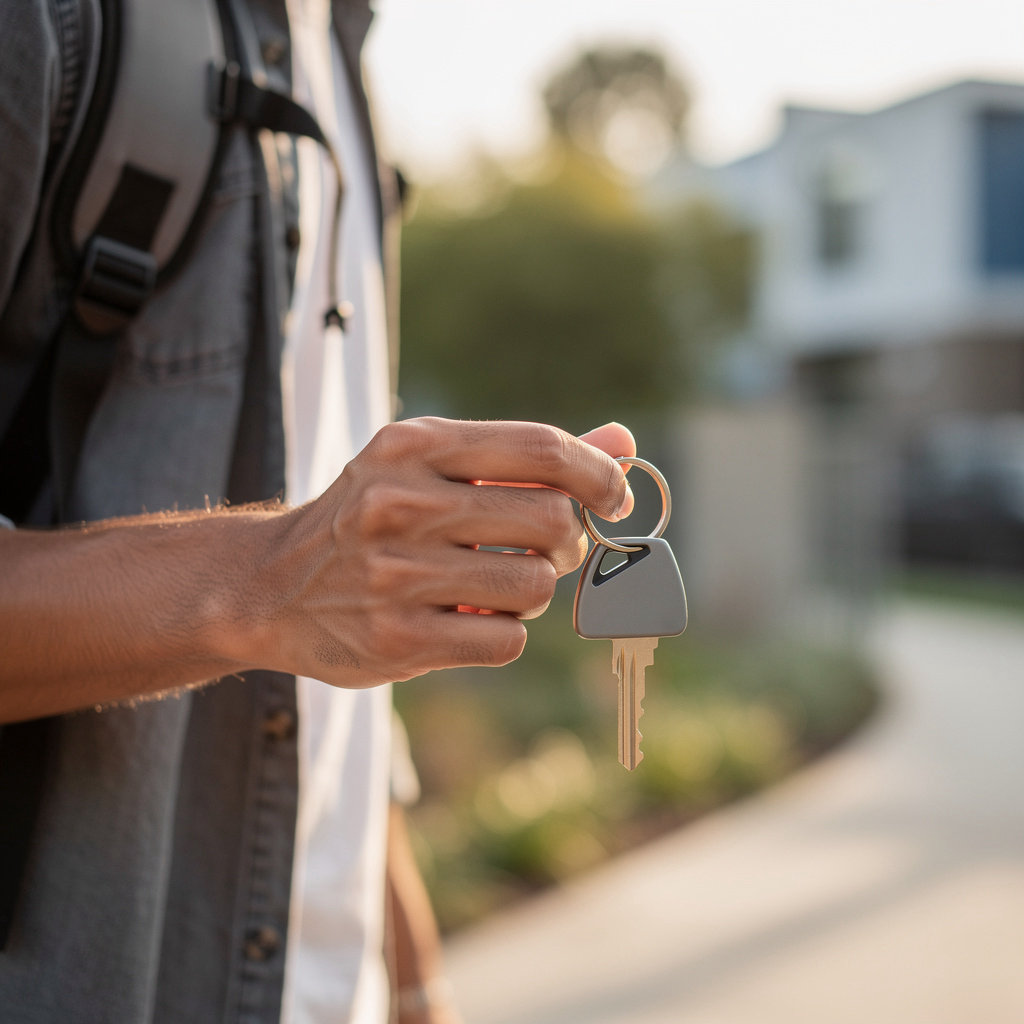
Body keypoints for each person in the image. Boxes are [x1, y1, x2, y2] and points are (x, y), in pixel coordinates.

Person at [0, 2, 636, 1023]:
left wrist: (410, 969)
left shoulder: (343, 60)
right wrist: (267, 575)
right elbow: (306, 578)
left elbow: (328, 684)